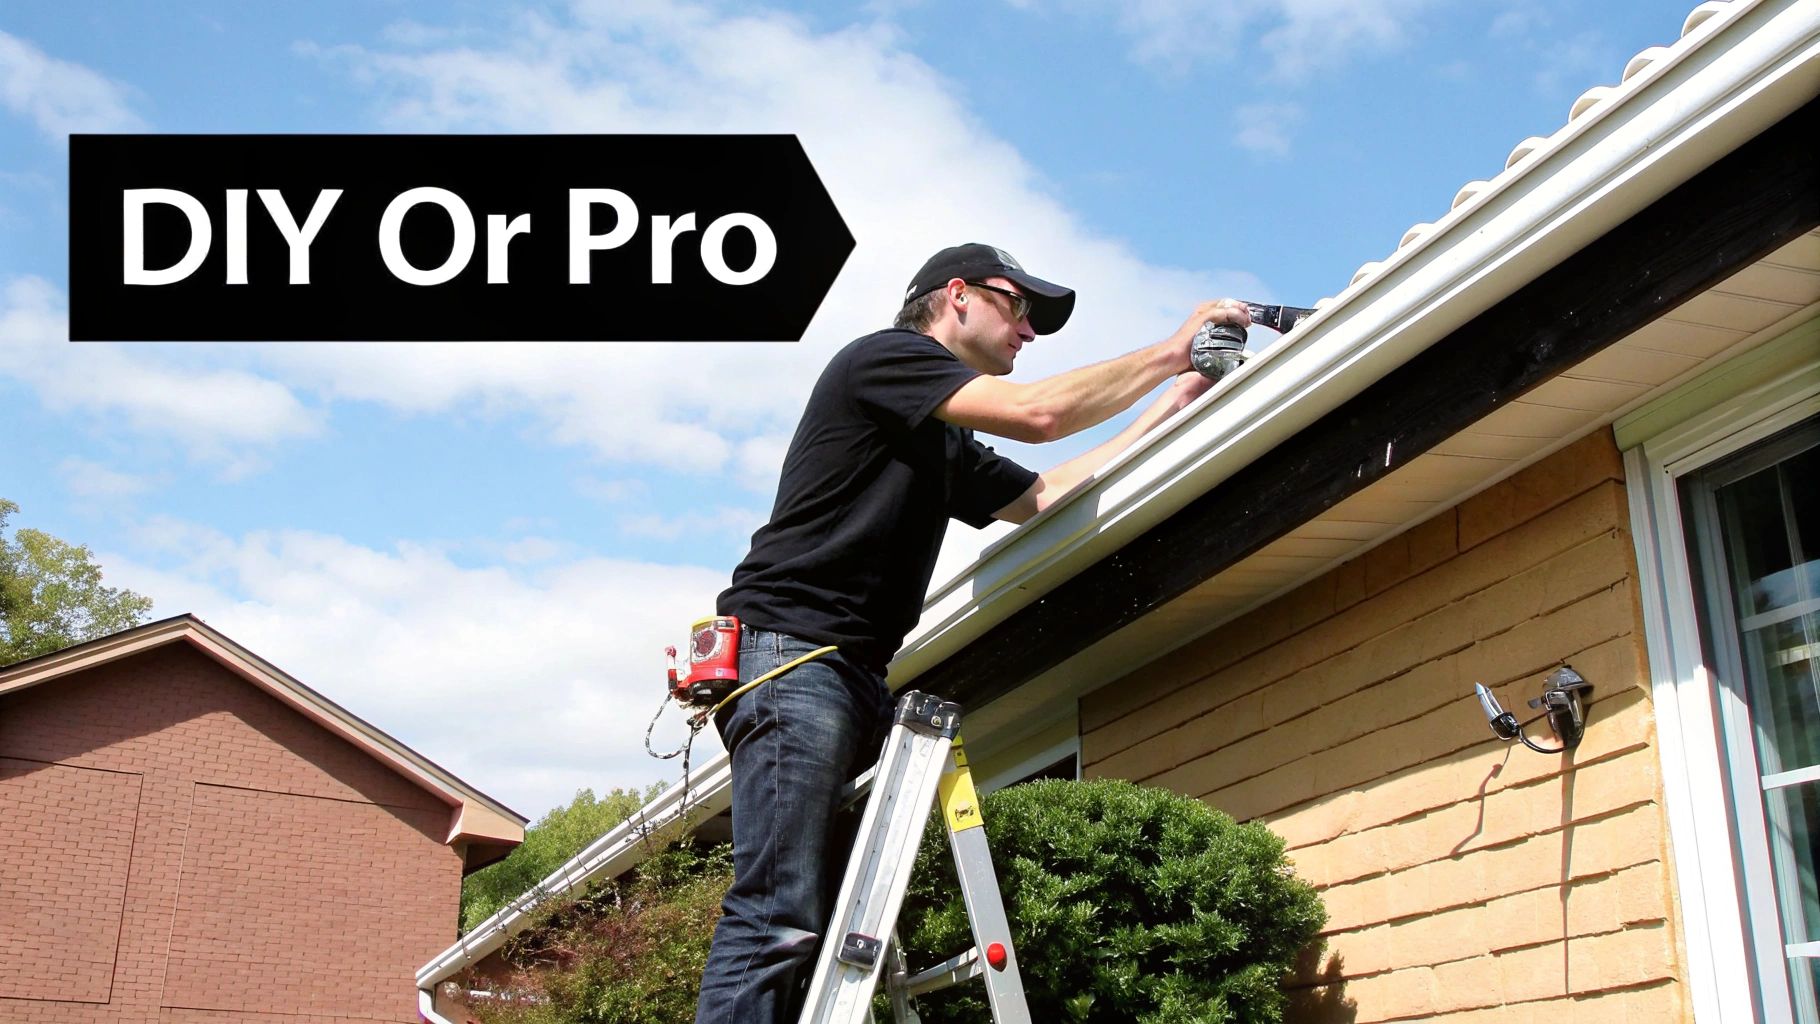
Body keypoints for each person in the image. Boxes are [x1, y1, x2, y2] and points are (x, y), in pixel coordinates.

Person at [693, 243, 1251, 1024]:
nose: (1029, 331)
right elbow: (1040, 417)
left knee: (823, 938)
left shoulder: (942, 438)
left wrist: (1173, 401)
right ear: (955, 296)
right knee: (777, 917)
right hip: (796, 657)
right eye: (1017, 307)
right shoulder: (883, 361)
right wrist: (1168, 350)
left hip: (851, 676)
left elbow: (1046, 493)